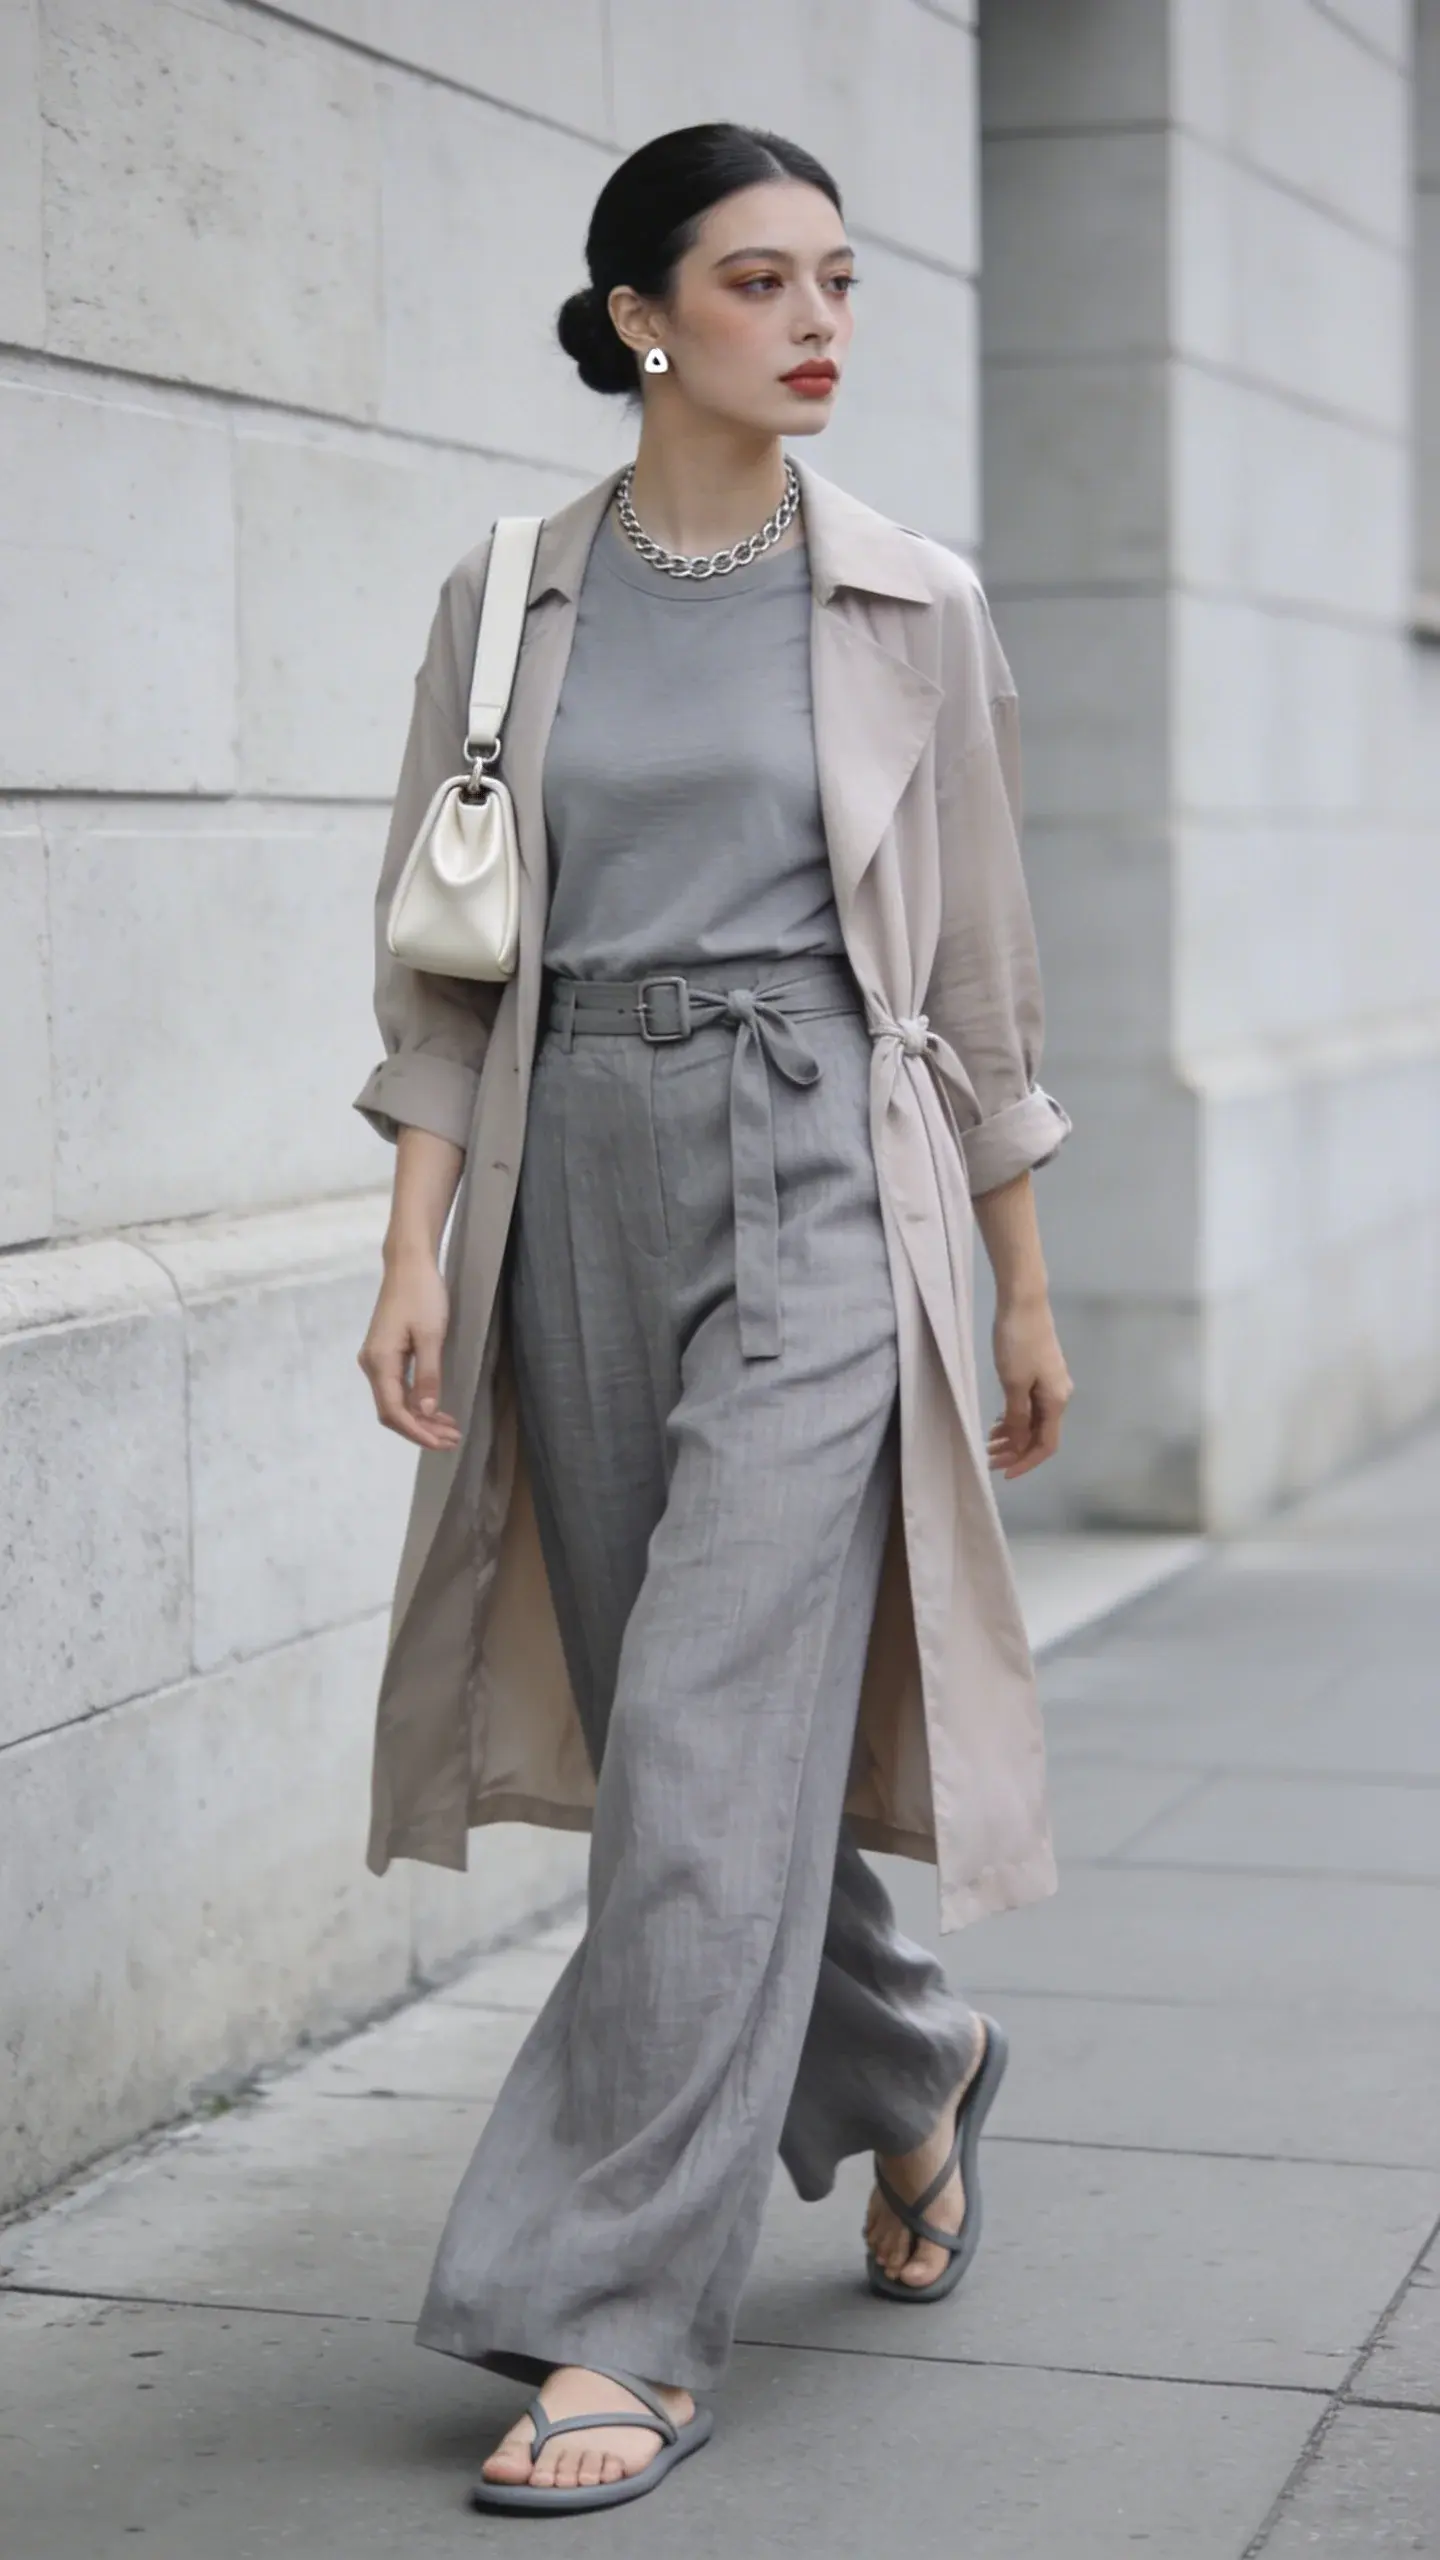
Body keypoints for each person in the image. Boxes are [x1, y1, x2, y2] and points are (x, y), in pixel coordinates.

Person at [354, 121, 1073, 2518]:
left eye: (838, 280)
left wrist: (1023, 1282)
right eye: (761, 281)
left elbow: (977, 979)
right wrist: (410, 1247)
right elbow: (450, 957)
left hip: (819, 1184)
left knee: (689, 1735)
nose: (819, 320)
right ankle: (917, 2058)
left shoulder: (908, 602)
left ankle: (616, 2312)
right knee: (714, 1753)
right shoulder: (509, 599)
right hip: (575, 1185)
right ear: (645, 317)